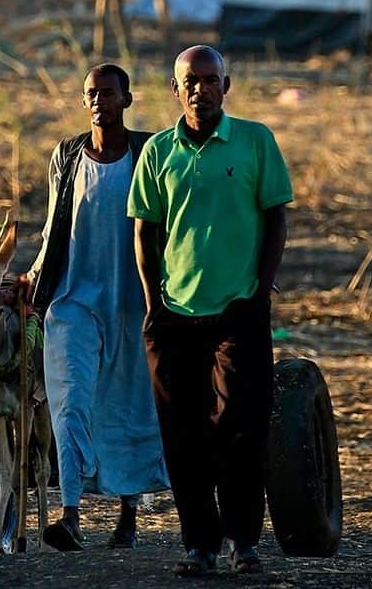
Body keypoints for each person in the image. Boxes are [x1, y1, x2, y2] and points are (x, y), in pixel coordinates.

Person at [128, 46, 293, 578]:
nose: (199, 89)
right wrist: (154, 305)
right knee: (183, 434)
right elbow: (144, 232)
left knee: (240, 428)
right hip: (174, 314)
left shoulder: (255, 141)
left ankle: (243, 542)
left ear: (227, 84)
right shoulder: (157, 152)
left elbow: (275, 220)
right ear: (175, 90)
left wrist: (259, 294)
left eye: (209, 79)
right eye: (189, 81)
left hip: (238, 310)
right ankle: (197, 544)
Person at [28, 63, 168, 550]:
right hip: (72, 301)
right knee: (70, 403)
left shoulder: (148, 152)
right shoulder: (66, 156)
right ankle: (70, 514)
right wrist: (31, 278)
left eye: (108, 93)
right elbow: (53, 228)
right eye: (91, 93)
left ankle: (128, 516)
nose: (98, 101)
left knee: (128, 404)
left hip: (134, 301)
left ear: (127, 99)